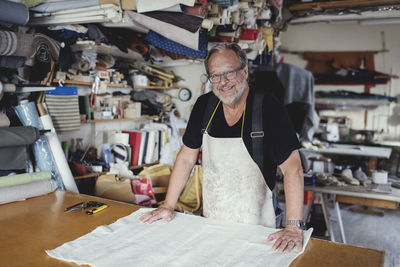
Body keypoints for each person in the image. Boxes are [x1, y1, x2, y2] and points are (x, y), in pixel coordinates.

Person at [140, 43, 304, 253]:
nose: (223, 82)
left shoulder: (268, 107)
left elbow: (293, 168)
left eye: (229, 73)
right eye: (215, 75)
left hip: (258, 229)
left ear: (244, 71)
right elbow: (186, 158)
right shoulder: (204, 106)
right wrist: (168, 206)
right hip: (213, 223)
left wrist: (292, 227)